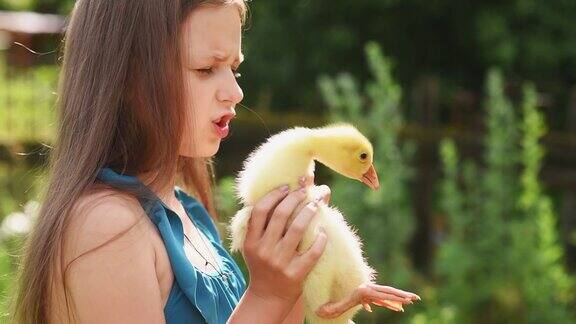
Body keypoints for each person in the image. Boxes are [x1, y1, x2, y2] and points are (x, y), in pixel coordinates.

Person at [10, 1, 419, 323]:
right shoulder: (105, 226)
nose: (234, 92)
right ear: (128, 78)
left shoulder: (187, 212)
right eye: (207, 69)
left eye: (234, 68)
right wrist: (268, 293)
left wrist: (290, 269)